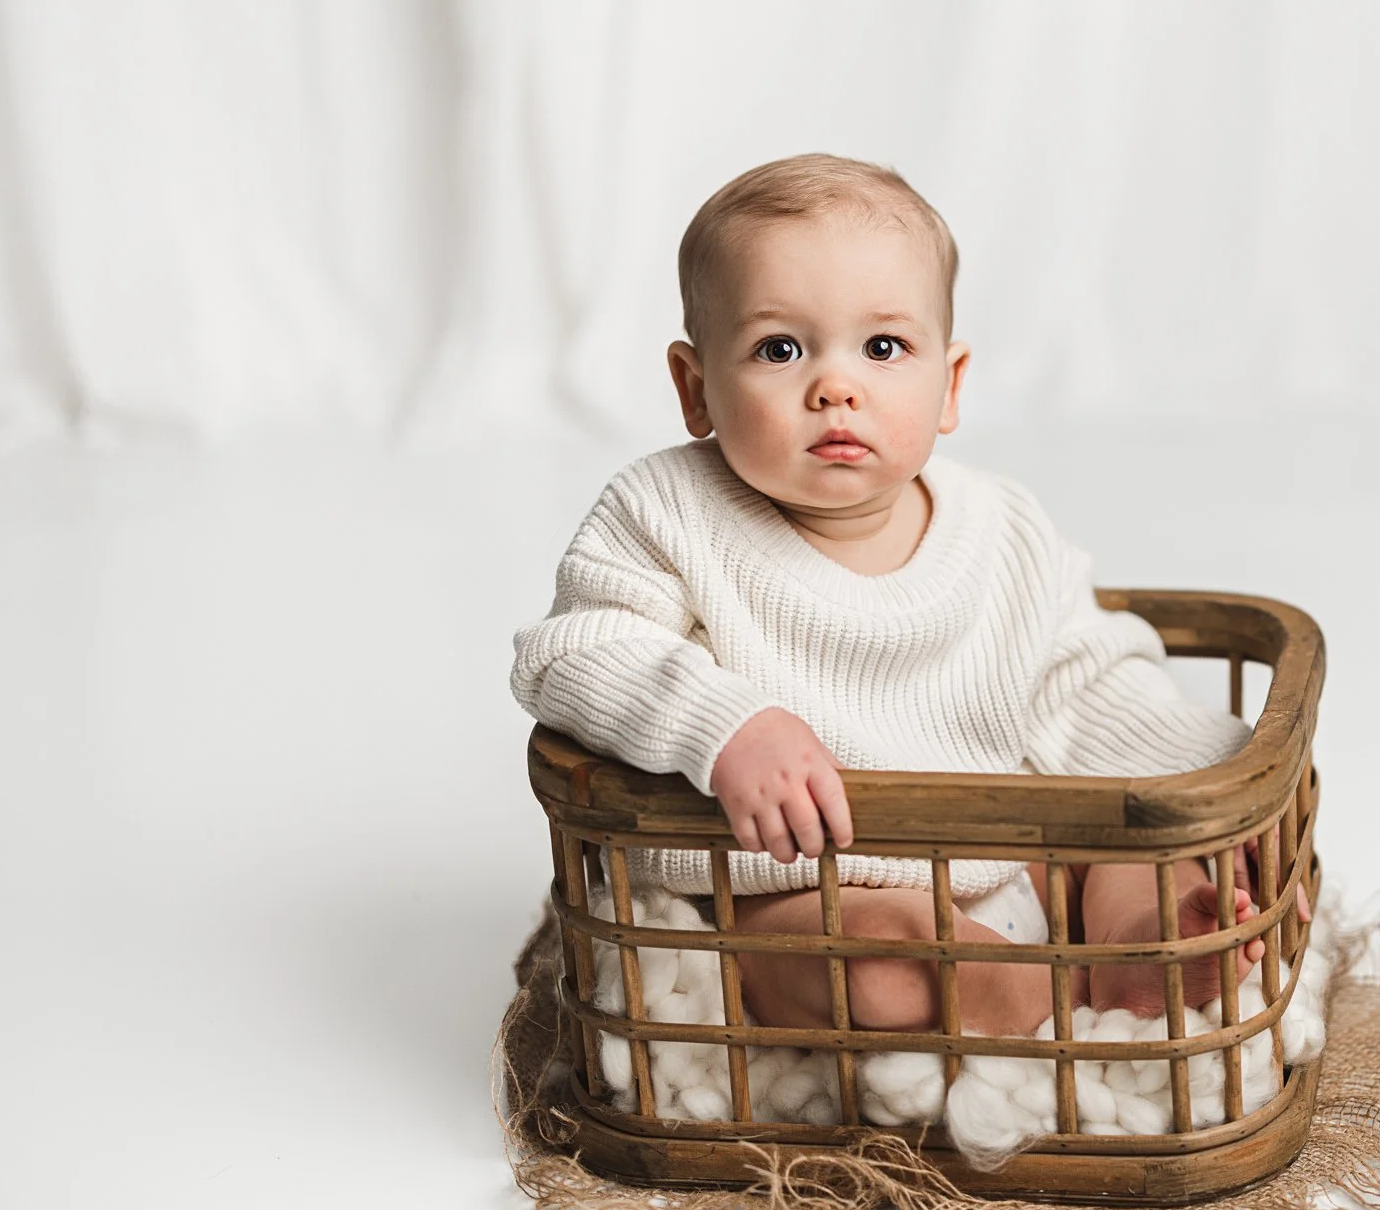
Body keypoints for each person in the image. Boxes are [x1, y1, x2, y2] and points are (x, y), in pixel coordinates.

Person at [511, 153, 1307, 1042]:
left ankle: (1133, 948)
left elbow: (1083, 680)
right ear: (697, 390)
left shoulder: (1001, 526)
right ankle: (1053, 1002)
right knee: (875, 962)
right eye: (780, 349)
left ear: (950, 384)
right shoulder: (668, 513)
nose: (836, 385)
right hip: (800, 887)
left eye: (883, 348)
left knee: (1130, 858)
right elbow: (575, 649)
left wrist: (1209, 783)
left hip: (1008, 866)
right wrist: (725, 724)